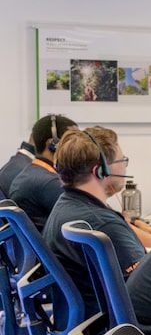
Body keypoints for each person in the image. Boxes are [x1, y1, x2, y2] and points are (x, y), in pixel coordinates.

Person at [43, 127, 145, 313]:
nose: (125, 166)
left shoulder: (67, 205)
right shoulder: (102, 225)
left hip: (91, 324)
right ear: (100, 171)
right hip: (120, 331)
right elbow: (146, 292)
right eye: (122, 161)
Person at [10, 114, 78, 231]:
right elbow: (86, 220)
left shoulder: (32, 173)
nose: (78, 148)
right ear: (52, 145)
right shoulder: (50, 183)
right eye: (73, 142)